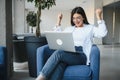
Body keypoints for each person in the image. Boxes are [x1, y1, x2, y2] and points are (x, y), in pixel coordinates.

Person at [36, 6, 107, 80]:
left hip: (81, 55)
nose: (76, 20)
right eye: (74, 18)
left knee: (59, 53)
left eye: (78, 17)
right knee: (60, 64)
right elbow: (57, 34)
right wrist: (59, 20)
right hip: (68, 53)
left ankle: (40, 78)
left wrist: (99, 17)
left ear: (83, 17)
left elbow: (102, 33)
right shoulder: (69, 29)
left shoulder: (90, 28)